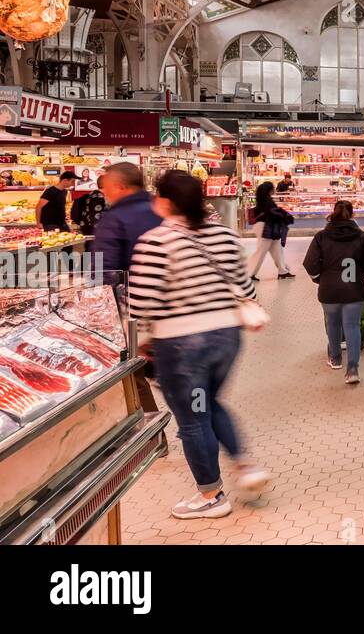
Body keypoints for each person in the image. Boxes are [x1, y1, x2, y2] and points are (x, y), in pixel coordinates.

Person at [128, 170, 270, 520]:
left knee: (192, 418)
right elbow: (245, 286)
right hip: (227, 336)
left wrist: (138, 340)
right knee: (210, 401)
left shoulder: (156, 242)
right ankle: (245, 466)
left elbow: (142, 302)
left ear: (165, 201)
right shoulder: (224, 235)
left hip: (182, 343)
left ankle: (210, 495)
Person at [303, 200, 364, 384]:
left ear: (333, 213)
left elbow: (310, 264)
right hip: (354, 288)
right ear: (353, 215)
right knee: (352, 326)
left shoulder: (321, 237)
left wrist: (319, 277)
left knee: (333, 324)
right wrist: (360, 272)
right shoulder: (361, 236)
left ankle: (335, 358)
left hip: (329, 289)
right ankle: (352, 369)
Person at [95, 162, 162, 278]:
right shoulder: (160, 209)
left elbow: (103, 267)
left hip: (130, 291)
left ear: (121, 186)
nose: (105, 192)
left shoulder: (113, 219)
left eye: (107, 187)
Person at [249, 181, 295, 280]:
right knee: (261, 251)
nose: (274, 189)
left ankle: (283, 271)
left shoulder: (263, 200)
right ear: (269, 190)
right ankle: (249, 273)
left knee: (277, 249)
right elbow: (273, 214)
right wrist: (285, 216)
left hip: (267, 227)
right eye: (273, 188)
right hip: (266, 227)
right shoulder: (267, 201)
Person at [71, 174, 108, 247]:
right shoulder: (98, 197)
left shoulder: (94, 193)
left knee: (90, 249)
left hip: (88, 227)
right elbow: (95, 217)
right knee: (94, 251)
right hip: (92, 229)